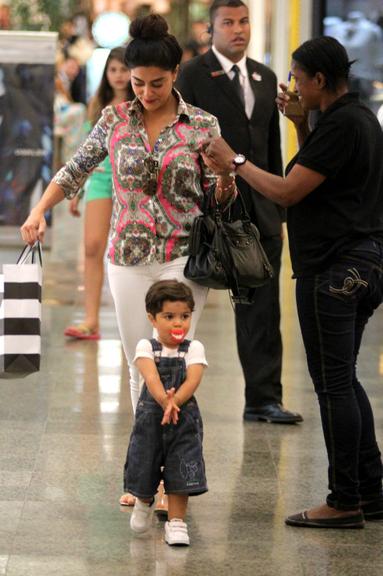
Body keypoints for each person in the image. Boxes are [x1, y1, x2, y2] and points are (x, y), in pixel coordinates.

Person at [20, 14, 235, 507]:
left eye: (156, 83)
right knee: (142, 369)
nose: (146, 92)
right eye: (137, 83)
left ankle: (167, 482)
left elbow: (217, 198)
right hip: (127, 256)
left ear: (175, 73)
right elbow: (78, 167)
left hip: (183, 257)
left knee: (175, 366)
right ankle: (145, 471)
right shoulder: (114, 118)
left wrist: (226, 178)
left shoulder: (202, 125)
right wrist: (39, 209)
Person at [203, 36, 383, 528]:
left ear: (320, 80)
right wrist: (301, 123)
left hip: (334, 269)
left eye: (299, 79)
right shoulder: (357, 119)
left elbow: (286, 191)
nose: (293, 87)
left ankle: (344, 499)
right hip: (362, 265)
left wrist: (235, 162)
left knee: (332, 387)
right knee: (344, 379)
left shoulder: (344, 123)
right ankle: (371, 490)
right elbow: (316, 176)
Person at [176, 0, 302, 424]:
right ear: (211, 30)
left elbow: (270, 147)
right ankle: (170, 393)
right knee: (184, 303)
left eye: (244, 21)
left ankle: (263, 399)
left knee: (263, 309)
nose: (238, 30)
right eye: (227, 23)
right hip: (207, 212)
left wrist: (278, 215)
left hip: (260, 211)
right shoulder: (191, 76)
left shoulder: (265, 78)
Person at [126, 279, 207, 546]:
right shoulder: (146, 346)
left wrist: (176, 402)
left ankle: (176, 523)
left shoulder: (194, 348)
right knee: (145, 461)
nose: (178, 323)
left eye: (184, 316)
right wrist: (165, 400)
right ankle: (143, 500)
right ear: (152, 317)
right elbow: (150, 378)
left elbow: (193, 379)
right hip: (152, 418)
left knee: (181, 467)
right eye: (169, 316)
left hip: (183, 421)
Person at [64, 47, 132, 340]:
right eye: (113, 70)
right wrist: (77, 188)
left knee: (130, 252)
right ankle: (91, 319)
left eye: (124, 69)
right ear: (106, 73)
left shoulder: (143, 102)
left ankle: (134, 320)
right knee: (92, 246)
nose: (118, 76)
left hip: (132, 184)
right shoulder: (98, 104)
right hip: (101, 180)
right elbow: (85, 150)